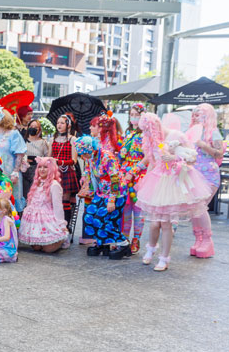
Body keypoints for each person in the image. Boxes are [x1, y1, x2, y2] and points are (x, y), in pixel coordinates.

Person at [136, 113, 212, 271]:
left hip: (173, 182)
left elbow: (192, 158)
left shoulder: (176, 135)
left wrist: (174, 158)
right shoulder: (152, 141)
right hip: (158, 182)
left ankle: (164, 258)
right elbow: (152, 162)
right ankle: (150, 249)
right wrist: (144, 181)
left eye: (148, 130)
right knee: (154, 223)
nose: (147, 133)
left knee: (165, 223)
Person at [75, 132, 130, 260]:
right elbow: (89, 169)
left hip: (116, 193)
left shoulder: (107, 157)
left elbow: (115, 179)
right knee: (89, 215)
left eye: (85, 153)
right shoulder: (90, 157)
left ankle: (123, 244)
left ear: (91, 149)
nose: (83, 156)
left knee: (104, 218)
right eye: (81, 154)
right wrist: (85, 178)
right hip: (101, 191)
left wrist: (111, 201)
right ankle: (101, 242)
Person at [188, 103, 224, 258]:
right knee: (194, 209)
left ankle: (207, 241)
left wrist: (202, 145)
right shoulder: (190, 132)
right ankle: (199, 240)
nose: (195, 116)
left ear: (207, 115)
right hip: (193, 175)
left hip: (209, 175)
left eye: (199, 113)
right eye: (194, 114)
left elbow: (219, 154)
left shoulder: (213, 132)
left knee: (200, 207)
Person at [18, 157, 69, 252]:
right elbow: (30, 201)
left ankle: (62, 239)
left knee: (48, 249)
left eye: (45, 167)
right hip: (34, 220)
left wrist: (61, 225)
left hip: (47, 220)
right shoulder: (37, 182)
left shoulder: (54, 185)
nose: (42, 170)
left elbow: (58, 207)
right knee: (36, 248)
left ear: (51, 169)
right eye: (40, 167)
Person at [119, 104, 147, 254]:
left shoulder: (146, 133)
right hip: (125, 172)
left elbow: (149, 156)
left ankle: (136, 238)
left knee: (138, 209)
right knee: (125, 208)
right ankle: (125, 239)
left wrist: (135, 169)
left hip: (139, 174)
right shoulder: (127, 132)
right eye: (131, 114)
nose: (133, 116)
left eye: (136, 114)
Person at [49, 114, 80, 230]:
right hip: (54, 173)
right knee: (53, 201)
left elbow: (74, 160)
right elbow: (48, 157)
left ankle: (65, 227)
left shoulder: (73, 139)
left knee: (65, 202)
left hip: (67, 173)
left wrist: (60, 162)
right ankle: (53, 226)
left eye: (62, 123)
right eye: (58, 123)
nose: (59, 125)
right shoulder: (52, 139)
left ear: (68, 125)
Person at [21, 119, 49, 199]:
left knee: (35, 193)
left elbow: (47, 156)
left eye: (36, 127)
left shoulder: (43, 142)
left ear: (39, 129)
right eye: (31, 126)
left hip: (37, 169)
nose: (33, 128)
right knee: (24, 192)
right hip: (24, 169)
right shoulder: (23, 141)